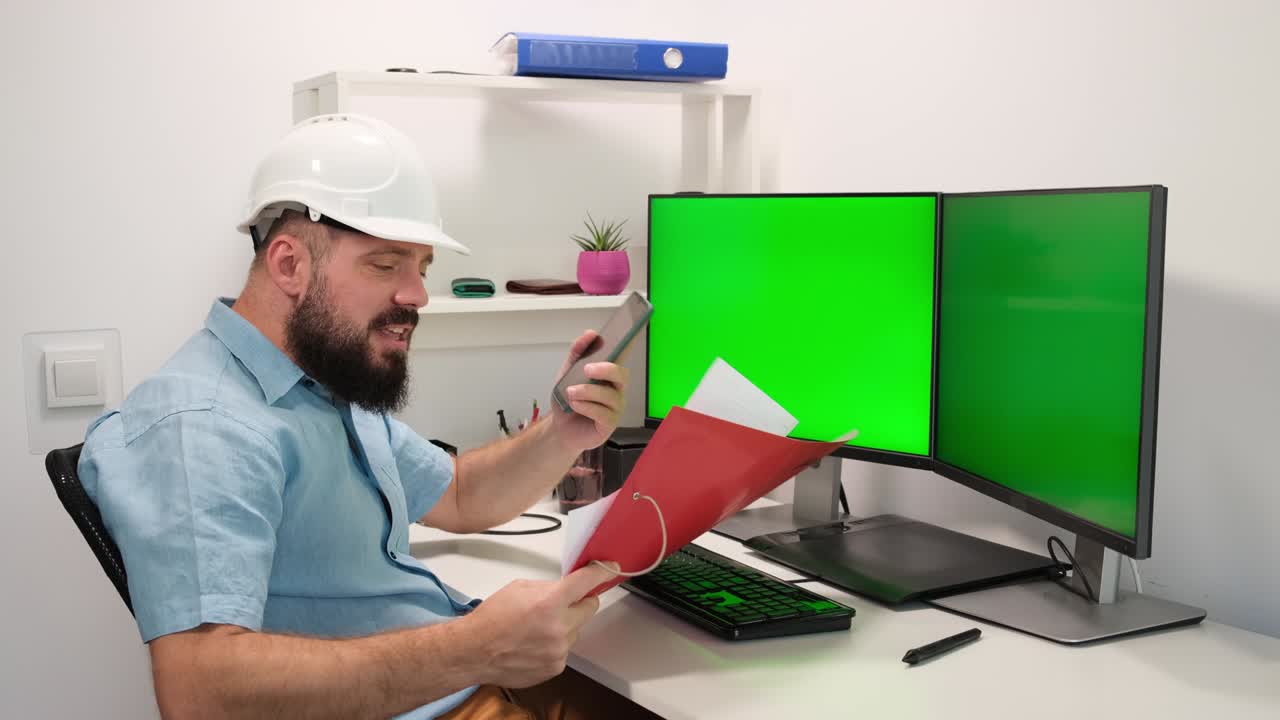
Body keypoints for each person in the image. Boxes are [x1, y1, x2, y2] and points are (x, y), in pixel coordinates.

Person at [79, 114, 658, 720]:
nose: (417, 295)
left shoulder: (321, 384)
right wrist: (477, 647)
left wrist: (561, 430)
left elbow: (460, 494)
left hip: (461, 683)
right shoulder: (205, 423)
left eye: (422, 267)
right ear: (288, 265)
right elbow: (198, 694)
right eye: (386, 265)